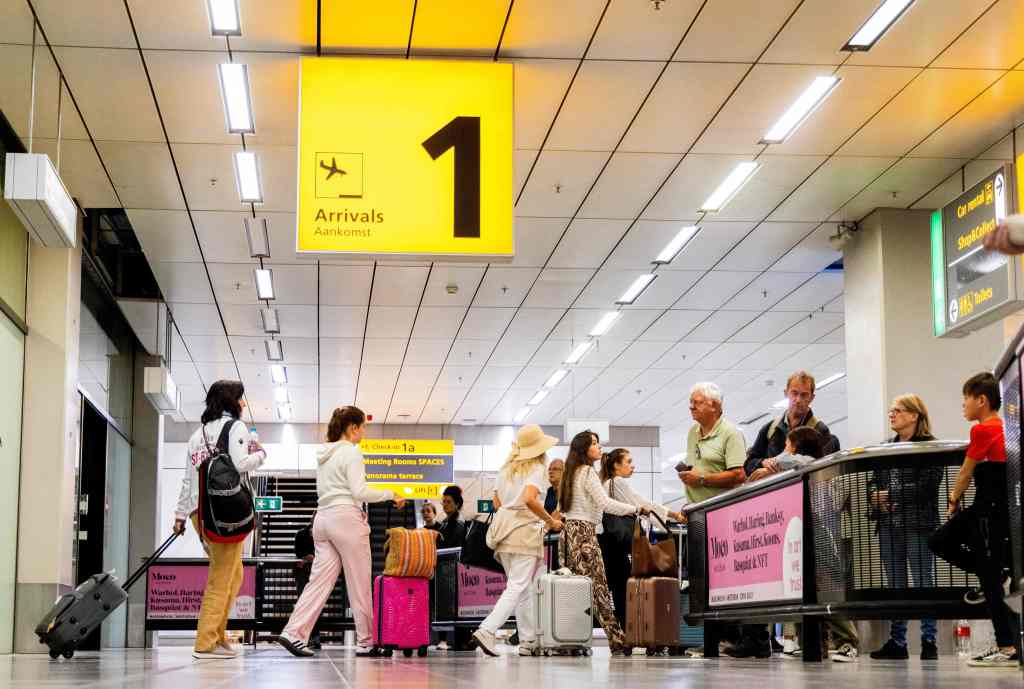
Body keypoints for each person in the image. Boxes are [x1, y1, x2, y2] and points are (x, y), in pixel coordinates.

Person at [276, 406, 406, 658]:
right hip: (346, 518)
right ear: (352, 428)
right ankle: (366, 642)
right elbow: (359, 491)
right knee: (359, 583)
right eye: (363, 427)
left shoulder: (324, 454)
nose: (364, 433)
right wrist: (392, 494)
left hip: (322, 519)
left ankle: (293, 632)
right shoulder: (352, 452)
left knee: (318, 583)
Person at [929, 373, 1020, 668]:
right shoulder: (1010, 429)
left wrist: (953, 500)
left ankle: (1007, 647)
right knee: (989, 574)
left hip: (985, 512)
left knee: (940, 542)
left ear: (982, 400)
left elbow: (966, 472)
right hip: (1002, 511)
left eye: (966, 398)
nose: (963, 405)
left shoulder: (983, 431)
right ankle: (1008, 642)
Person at [173, 380, 266, 660]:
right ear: (231, 401)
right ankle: (205, 643)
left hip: (199, 513)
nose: (244, 403)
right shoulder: (235, 428)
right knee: (221, 577)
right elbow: (239, 464)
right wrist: (260, 454)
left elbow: (189, 479)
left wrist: (179, 516)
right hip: (223, 512)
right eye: (241, 398)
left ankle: (218, 634)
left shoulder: (197, 434)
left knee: (233, 573)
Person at [472, 425, 563, 657]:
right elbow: (530, 499)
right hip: (524, 532)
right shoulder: (537, 469)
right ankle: (487, 630)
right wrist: (550, 522)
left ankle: (528, 641)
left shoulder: (506, 469)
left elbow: (496, 503)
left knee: (523, 588)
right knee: (518, 586)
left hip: (503, 534)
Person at [560, 430, 647, 656]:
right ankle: (617, 639)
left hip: (569, 535)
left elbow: (564, 509)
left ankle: (567, 638)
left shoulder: (570, 473)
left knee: (577, 591)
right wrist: (634, 508)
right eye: (595, 444)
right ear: (584, 449)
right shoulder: (587, 471)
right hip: (585, 535)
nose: (599, 448)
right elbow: (605, 503)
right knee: (598, 589)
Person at [868, 394, 940, 661]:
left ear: (914, 415)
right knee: (895, 584)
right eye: (891, 410)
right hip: (889, 525)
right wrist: (877, 496)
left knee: (923, 582)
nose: (892, 414)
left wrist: (891, 494)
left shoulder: (931, 446)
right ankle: (897, 642)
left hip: (919, 525)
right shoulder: (886, 447)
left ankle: (928, 640)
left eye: (897, 410)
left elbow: (929, 487)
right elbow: (874, 482)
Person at [599, 448, 683, 628]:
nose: (633, 465)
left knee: (619, 587)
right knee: (624, 586)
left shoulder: (607, 483)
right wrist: (673, 515)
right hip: (619, 543)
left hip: (610, 542)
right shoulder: (618, 482)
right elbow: (642, 504)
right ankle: (630, 630)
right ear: (616, 465)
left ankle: (625, 630)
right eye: (628, 462)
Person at [745, 371, 840, 481]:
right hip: (773, 494)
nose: (798, 400)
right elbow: (748, 464)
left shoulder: (819, 430)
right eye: (794, 393)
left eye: (804, 395)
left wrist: (771, 471)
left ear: (811, 398)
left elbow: (818, 468)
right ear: (786, 393)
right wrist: (762, 462)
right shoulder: (769, 429)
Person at [292, 514, 321, 650]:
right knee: (304, 604)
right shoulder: (301, 534)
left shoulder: (324, 536)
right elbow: (297, 551)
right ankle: (304, 636)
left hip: (318, 574)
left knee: (316, 606)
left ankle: (314, 637)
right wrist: (306, 557)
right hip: (303, 574)